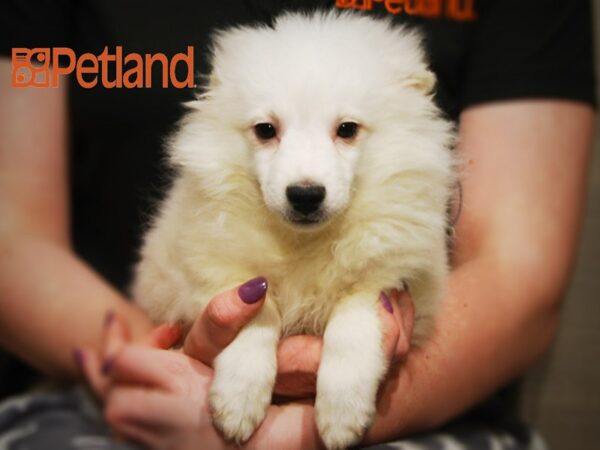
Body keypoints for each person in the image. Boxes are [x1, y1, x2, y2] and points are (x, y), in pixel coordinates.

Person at [0, 0, 595, 448]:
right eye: (266, 131)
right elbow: (14, 241)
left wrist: (292, 430)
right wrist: (172, 372)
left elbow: (520, 272)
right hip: (126, 384)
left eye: (347, 131)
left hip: (430, 413)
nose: (304, 178)